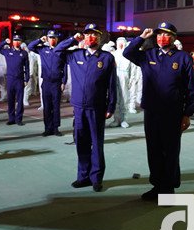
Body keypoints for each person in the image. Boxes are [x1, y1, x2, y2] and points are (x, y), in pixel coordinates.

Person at [123, 22, 194, 201]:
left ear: (173, 38)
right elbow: (128, 53)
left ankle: (168, 189)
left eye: (166, 34)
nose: (162, 38)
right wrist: (141, 37)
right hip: (152, 111)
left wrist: (187, 113)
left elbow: (191, 88)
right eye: (159, 34)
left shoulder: (183, 58)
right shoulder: (148, 55)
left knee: (170, 151)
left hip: (172, 112)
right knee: (154, 149)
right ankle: (157, 186)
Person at [55, 23, 116, 192]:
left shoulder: (107, 58)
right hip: (79, 107)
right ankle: (83, 177)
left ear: (99, 37)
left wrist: (111, 105)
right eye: (87, 34)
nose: (90, 37)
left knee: (96, 144)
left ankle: (96, 178)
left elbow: (112, 85)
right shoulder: (75, 55)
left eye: (94, 34)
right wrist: (72, 39)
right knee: (81, 143)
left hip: (97, 108)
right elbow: (57, 51)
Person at [28, 30, 66, 136]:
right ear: (47, 39)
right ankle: (47, 128)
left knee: (56, 107)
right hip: (46, 83)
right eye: (50, 38)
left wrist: (63, 81)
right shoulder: (43, 49)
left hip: (57, 83)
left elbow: (64, 67)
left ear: (57, 39)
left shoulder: (61, 51)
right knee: (47, 106)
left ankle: (55, 128)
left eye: (54, 38)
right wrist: (40, 40)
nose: (52, 39)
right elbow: (30, 47)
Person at [0, 35, 29, 126]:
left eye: (18, 40)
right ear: (12, 42)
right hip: (10, 79)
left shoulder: (24, 53)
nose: (17, 42)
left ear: (21, 42)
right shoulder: (8, 51)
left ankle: (19, 119)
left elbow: (27, 67)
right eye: (15, 40)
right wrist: (4, 42)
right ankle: (11, 118)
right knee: (10, 100)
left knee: (20, 100)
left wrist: (27, 79)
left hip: (20, 79)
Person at [111, 37, 133, 128]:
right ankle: (116, 119)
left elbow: (132, 70)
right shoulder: (113, 54)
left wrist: (131, 80)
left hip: (125, 78)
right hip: (114, 77)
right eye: (119, 43)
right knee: (115, 99)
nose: (121, 44)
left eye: (122, 42)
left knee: (124, 99)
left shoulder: (128, 55)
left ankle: (124, 119)